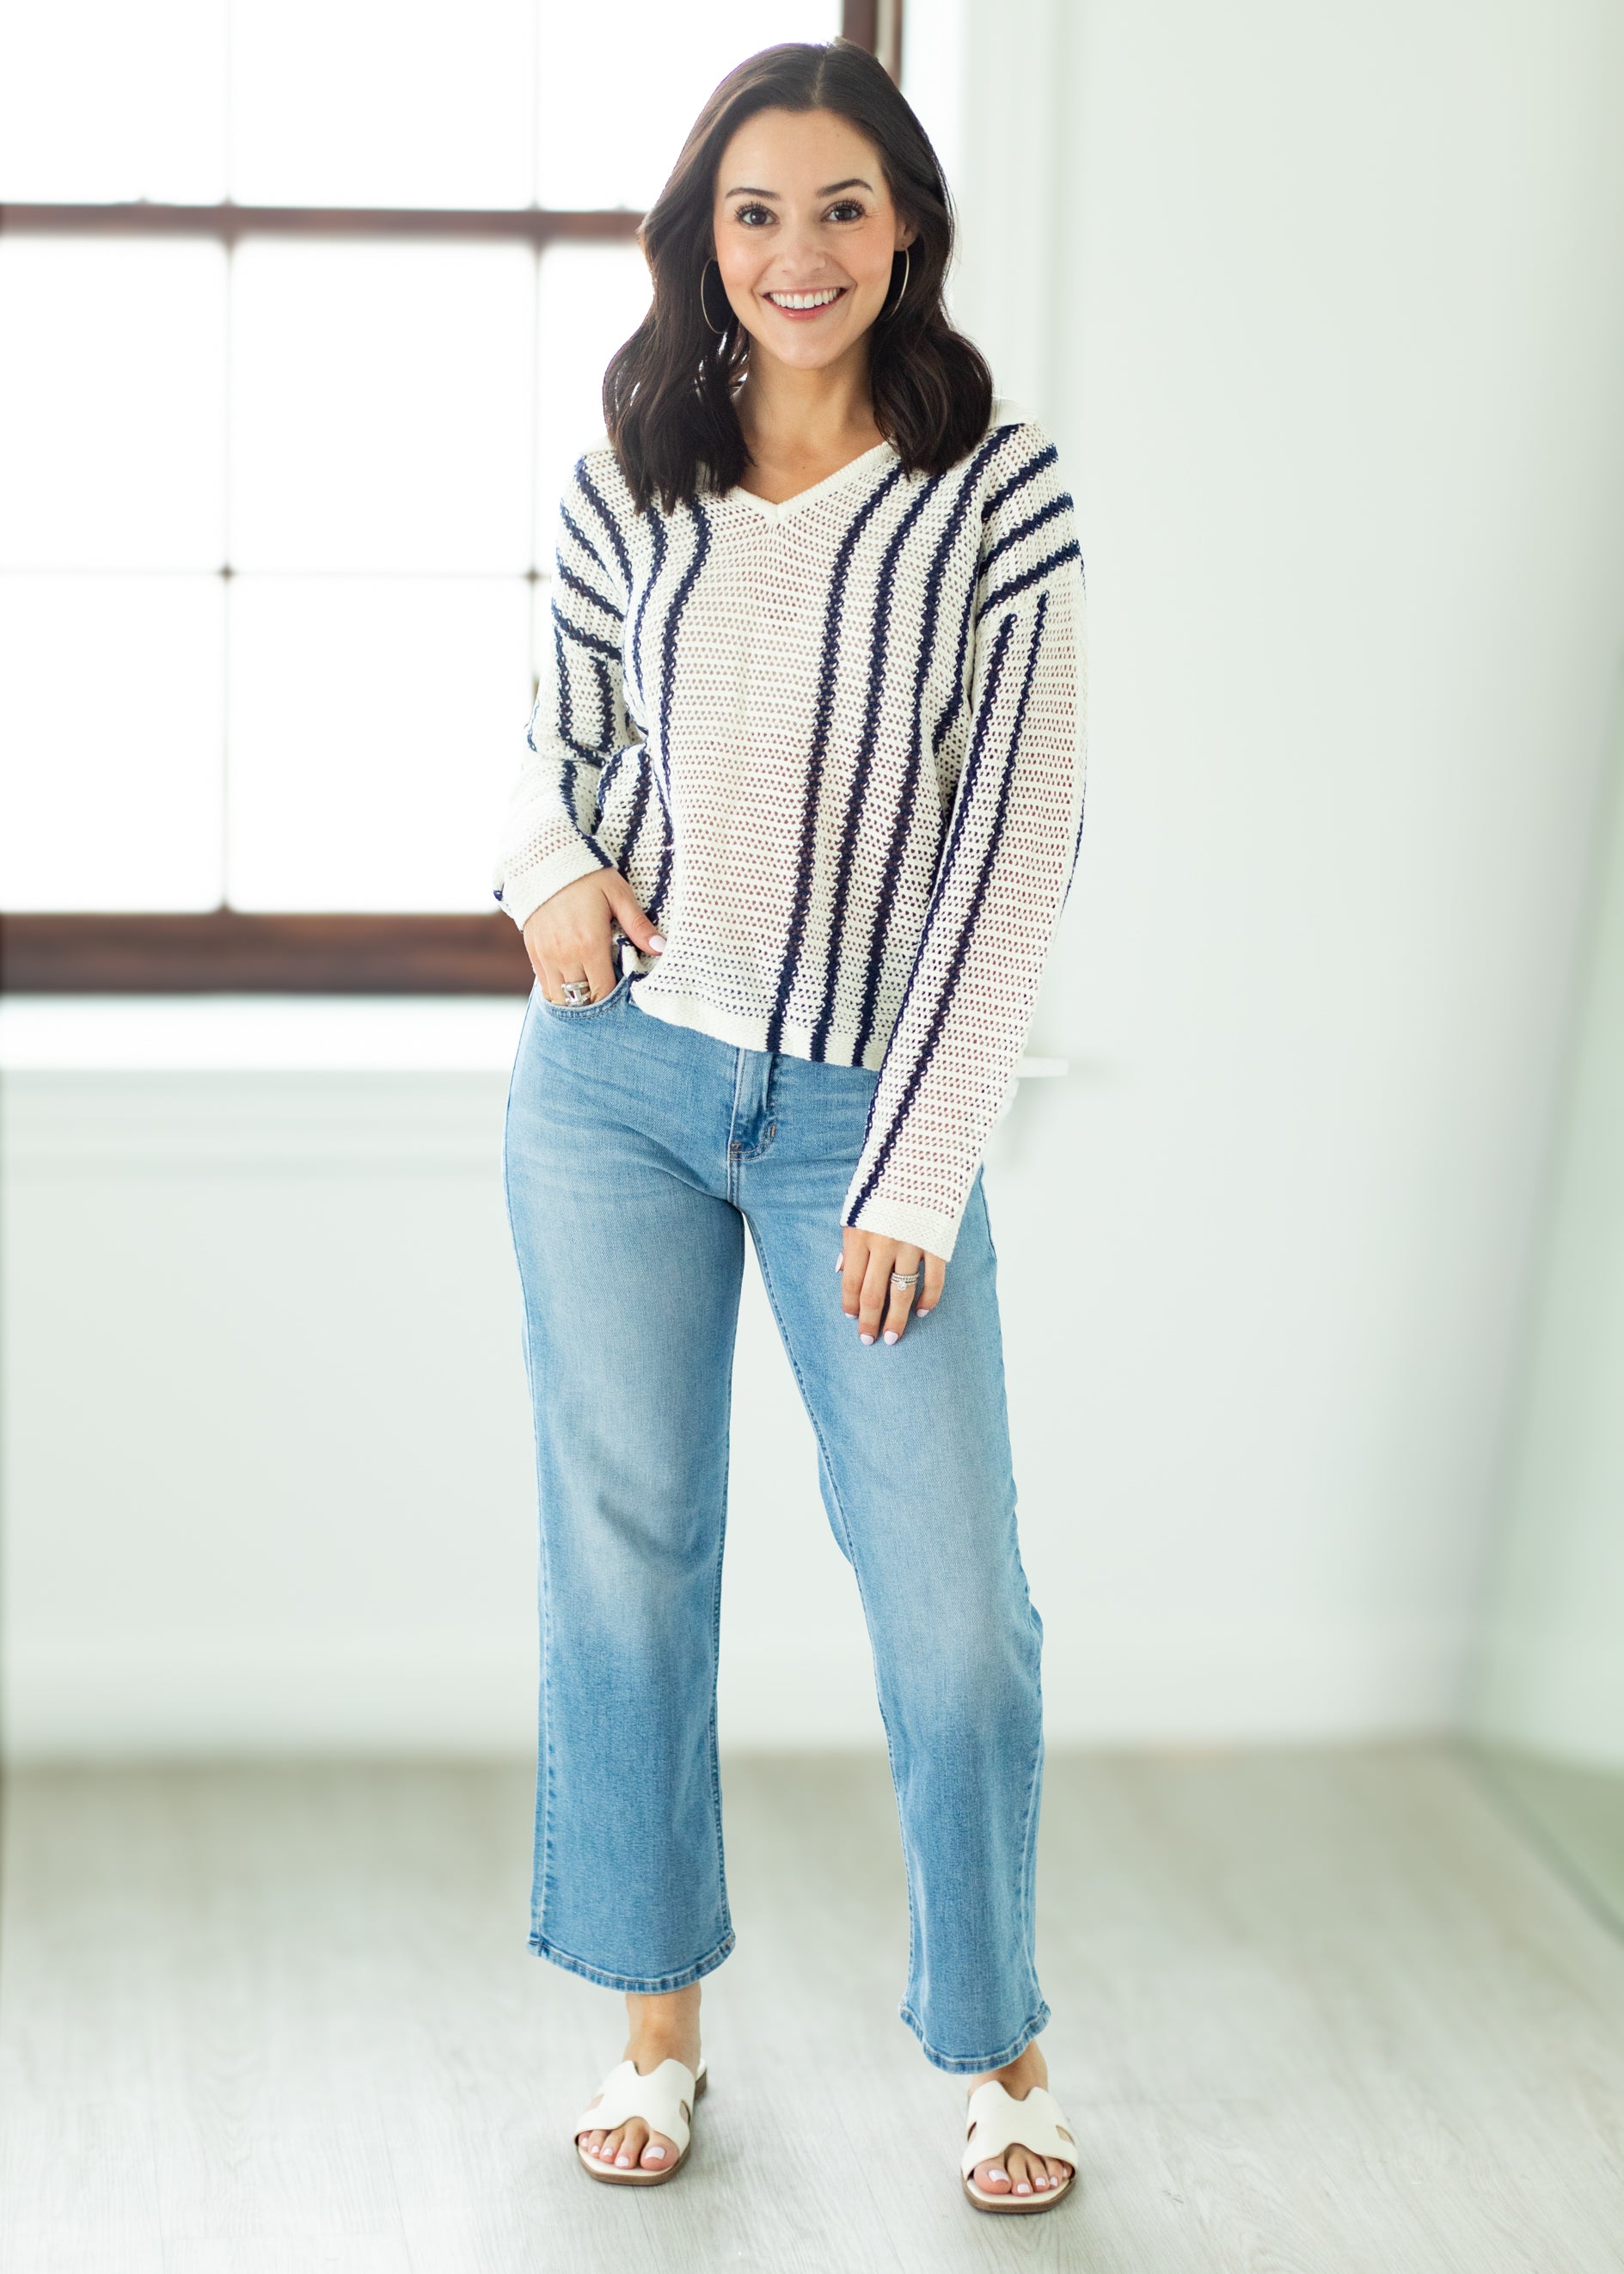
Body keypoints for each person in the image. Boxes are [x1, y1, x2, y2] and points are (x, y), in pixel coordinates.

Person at [494, 37, 1087, 2216]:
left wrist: (920, 1166)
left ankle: (998, 2046)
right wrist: (543, 869)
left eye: (842, 206)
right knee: (627, 1568)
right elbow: (549, 734)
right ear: (706, 238)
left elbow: (1018, 846)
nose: (800, 250)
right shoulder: (632, 468)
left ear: (907, 225)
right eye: (757, 212)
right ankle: (654, 2028)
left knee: (954, 1612)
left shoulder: (996, 491)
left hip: (863, 1115)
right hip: (614, 1090)